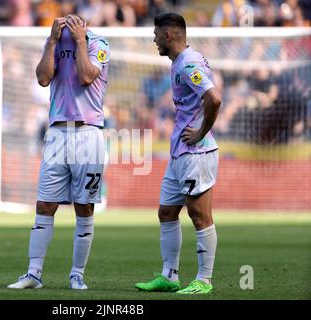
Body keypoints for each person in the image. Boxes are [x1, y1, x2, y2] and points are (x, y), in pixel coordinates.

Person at [7, 14, 110, 290]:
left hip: (88, 132)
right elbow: (43, 78)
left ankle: (77, 274)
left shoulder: (99, 43)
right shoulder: (53, 41)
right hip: (56, 133)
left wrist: (78, 41)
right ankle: (33, 273)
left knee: (84, 206)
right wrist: (52, 40)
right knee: (44, 204)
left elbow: (87, 76)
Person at [135, 13, 221, 294]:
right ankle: (169, 276)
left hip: (196, 152)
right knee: (167, 212)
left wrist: (200, 132)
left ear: (168, 36)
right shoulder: (180, 63)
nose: (154, 39)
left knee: (199, 215)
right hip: (179, 154)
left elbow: (214, 98)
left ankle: (204, 281)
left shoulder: (189, 64)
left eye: (156, 35)